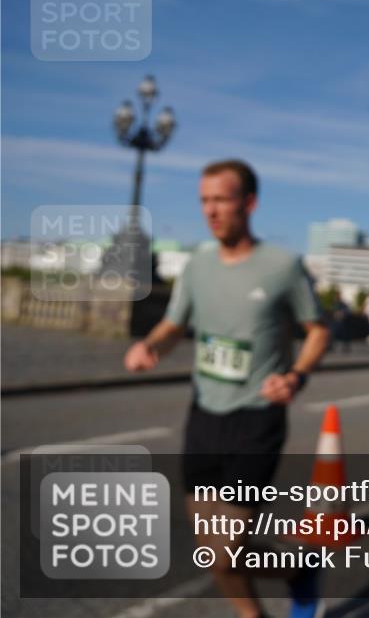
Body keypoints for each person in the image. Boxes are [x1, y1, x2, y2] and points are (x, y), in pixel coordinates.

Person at [123, 159, 330, 618]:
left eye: (221, 199)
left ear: (249, 203)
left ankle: (286, 581)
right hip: (204, 417)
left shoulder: (281, 266)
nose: (211, 211)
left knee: (227, 549)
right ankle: (289, 576)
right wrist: (151, 345)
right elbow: (173, 324)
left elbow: (318, 330)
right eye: (204, 201)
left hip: (256, 418)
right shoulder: (197, 265)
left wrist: (295, 376)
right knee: (213, 549)